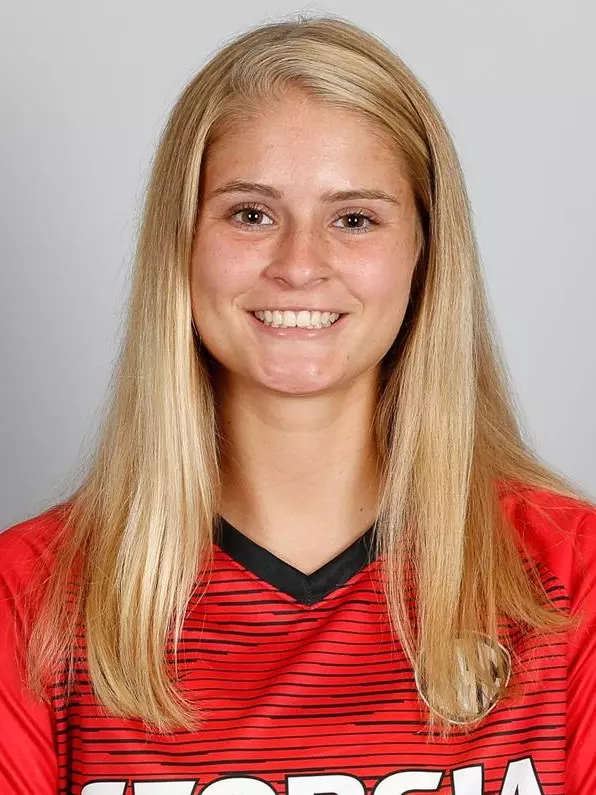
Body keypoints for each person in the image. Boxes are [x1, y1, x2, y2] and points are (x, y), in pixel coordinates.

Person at [0, 15, 594, 795]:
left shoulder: (573, 581)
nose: (299, 265)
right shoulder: (29, 600)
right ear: (182, 241)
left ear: (425, 251)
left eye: (354, 219)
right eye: (251, 213)